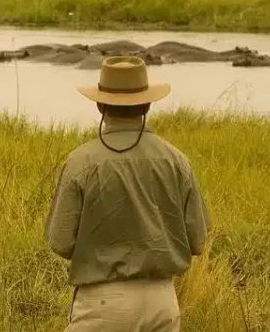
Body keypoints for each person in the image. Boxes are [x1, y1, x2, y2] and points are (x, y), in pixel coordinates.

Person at [46, 56, 210, 332]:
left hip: (102, 301)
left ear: (100, 105)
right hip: (162, 302)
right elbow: (198, 240)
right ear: (147, 104)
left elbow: (60, 241)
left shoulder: (80, 162)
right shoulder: (176, 160)